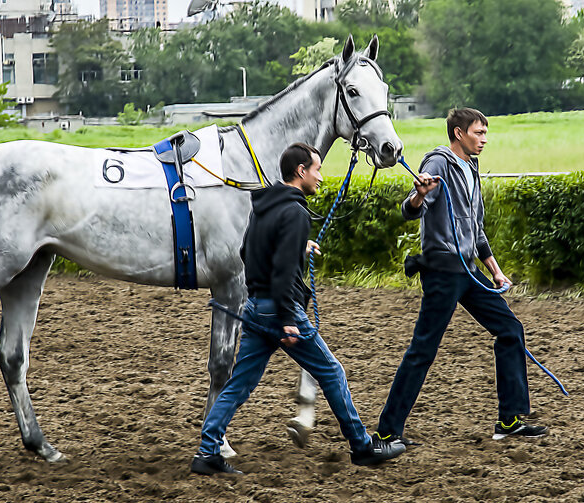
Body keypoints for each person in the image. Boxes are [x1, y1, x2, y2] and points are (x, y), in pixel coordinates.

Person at [191, 142, 407, 475]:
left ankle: (207, 452)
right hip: (281, 311)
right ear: (301, 171)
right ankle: (361, 446)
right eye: (317, 169)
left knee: (239, 384)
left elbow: (249, 252)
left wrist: (297, 247)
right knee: (332, 372)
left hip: (254, 308)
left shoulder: (265, 206)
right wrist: (288, 319)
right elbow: (280, 269)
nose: (320, 177)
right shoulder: (295, 211)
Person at [373, 108, 549, 447]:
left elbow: (475, 227)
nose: (483, 140)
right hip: (442, 271)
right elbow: (410, 211)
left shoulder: (472, 167)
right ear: (458, 134)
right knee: (423, 350)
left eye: (485, 134)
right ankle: (386, 431)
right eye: (478, 133)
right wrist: (419, 194)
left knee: (510, 330)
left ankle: (509, 420)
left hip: (469, 271)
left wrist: (494, 270)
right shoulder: (438, 164)